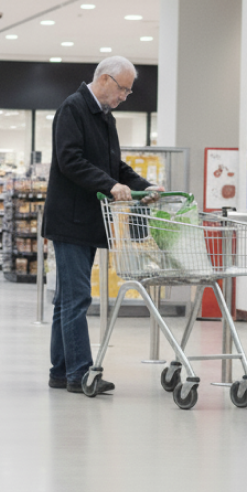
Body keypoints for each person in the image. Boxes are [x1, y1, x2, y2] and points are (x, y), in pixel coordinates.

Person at [42, 56, 156, 396]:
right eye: (123, 89)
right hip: (70, 220)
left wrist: (143, 186)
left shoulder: (105, 117)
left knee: (67, 299)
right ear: (105, 79)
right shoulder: (73, 109)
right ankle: (80, 373)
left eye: (128, 92)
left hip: (87, 220)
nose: (124, 96)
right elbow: (70, 160)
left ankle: (61, 371)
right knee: (77, 298)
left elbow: (114, 165)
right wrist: (109, 185)